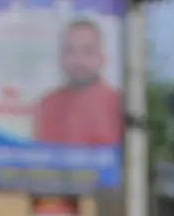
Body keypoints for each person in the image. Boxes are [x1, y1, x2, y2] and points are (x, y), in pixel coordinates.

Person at [31, 13, 125, 149]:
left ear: (101, 57)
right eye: (70, 50)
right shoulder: (48, 104)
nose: (78, 60)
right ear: (61, 57)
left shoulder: (117, 103)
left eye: (87, 50)